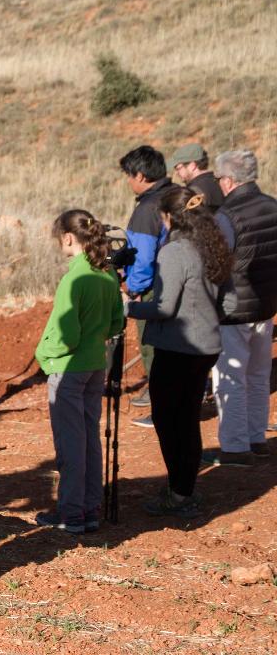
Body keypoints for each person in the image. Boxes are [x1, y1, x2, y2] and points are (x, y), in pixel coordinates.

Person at [126, 186, 232, 516]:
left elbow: (164, 307)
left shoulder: (175, 252)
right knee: (187, 419)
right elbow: (227, 301)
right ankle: (184, 487)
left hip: (178, 348)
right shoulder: (211, 244)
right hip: (206, 347)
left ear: (170, 217)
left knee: (170, 421)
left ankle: (179, 492)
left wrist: (129, 308)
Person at [33, 211, 125, 534]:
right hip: (96, 365)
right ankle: (88, 508)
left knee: (70, 442)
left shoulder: (74, 278)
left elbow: (65, 335)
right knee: (88, 437)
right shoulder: (107, 272)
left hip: (69, 369)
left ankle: (70, 513)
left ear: (68, 238)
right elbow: (117, 323)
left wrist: (43, 354)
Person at [211, 149, 277, 463]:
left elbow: (216, 264)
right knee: (259, 374)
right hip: (265, 306)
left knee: (231, 377)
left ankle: (235, 447)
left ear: (228, 180)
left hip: (234, 308)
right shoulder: (273, 206)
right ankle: (256, 438)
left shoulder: (227, 215)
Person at [118, 145, 172, 423]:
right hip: (179, 281)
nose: (128, 181)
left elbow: (142, 256)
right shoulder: (176, 196)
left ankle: (163, 410)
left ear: (140, 175)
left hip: (153, 288)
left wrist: (134, 289)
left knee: (152, 345)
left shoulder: (147, 209)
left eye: (129, 175)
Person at [170, 143, 226, 213]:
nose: (176, 173)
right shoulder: (220, 181)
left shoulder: (193, 191)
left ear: (192, 166)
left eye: (178, 168)